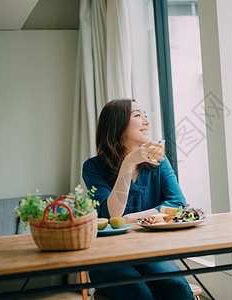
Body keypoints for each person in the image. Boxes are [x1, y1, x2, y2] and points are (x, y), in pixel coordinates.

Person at [82, 99, 193, 300]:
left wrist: (134, 218)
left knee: (176, 287)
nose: (146, 122)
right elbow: (111, 216)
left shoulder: (159, 161)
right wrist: (129, 162)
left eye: (146, 115)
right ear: (117, 124)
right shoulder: (93, 168)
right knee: (140, 295)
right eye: (137, 115)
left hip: (150, 252)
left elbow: (177, 203)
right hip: (109, 259)